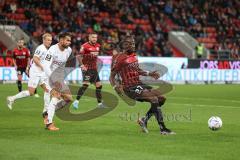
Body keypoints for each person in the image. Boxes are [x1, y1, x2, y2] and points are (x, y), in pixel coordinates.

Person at [110, 35, 175, 135]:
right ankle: (163, 129)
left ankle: (144, 120)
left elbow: (137, 70)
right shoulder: (120, 59)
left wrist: (149, 74)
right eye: (131, 44)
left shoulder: (134, 56)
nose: (133, 45)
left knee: (162, 98)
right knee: (154, 99)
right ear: (125, 45)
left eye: (133, 43)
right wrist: (115, 87)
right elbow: (111, 76)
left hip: (139, 84)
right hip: (129, 88)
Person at [7, 33, 52, 122]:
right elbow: (35, 59)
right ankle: (11, 98)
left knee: (47, 90)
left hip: (41, 73)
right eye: (48, 40)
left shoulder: (48, 49)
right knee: (31, 92)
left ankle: (45, 111)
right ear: (43, 40)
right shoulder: (41, 48)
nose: (49, 42)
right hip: (35, 72)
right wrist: (42, 67)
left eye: (50, 40)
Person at [42, 32, 73, 131]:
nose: (69, 42)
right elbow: (46, 66)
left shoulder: (69, 50)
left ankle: (48, 112)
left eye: (70, 40)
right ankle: (49, 123)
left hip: (59, 78)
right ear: (61, 40)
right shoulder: (52, 50)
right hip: (49, 76)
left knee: (68, 98)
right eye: (67, 40)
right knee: (56, 96)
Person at [72, 33, 105, 109]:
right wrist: (82, 65)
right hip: (87, 68)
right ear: (89, 38)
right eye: (93, 37)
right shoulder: (84, 46)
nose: (94, 39)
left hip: (94, 69)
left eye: (95, 37)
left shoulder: (98, 46)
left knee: (99, 85)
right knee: (85, 85)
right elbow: (79, 56)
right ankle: (76, 102)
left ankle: (100, 104)